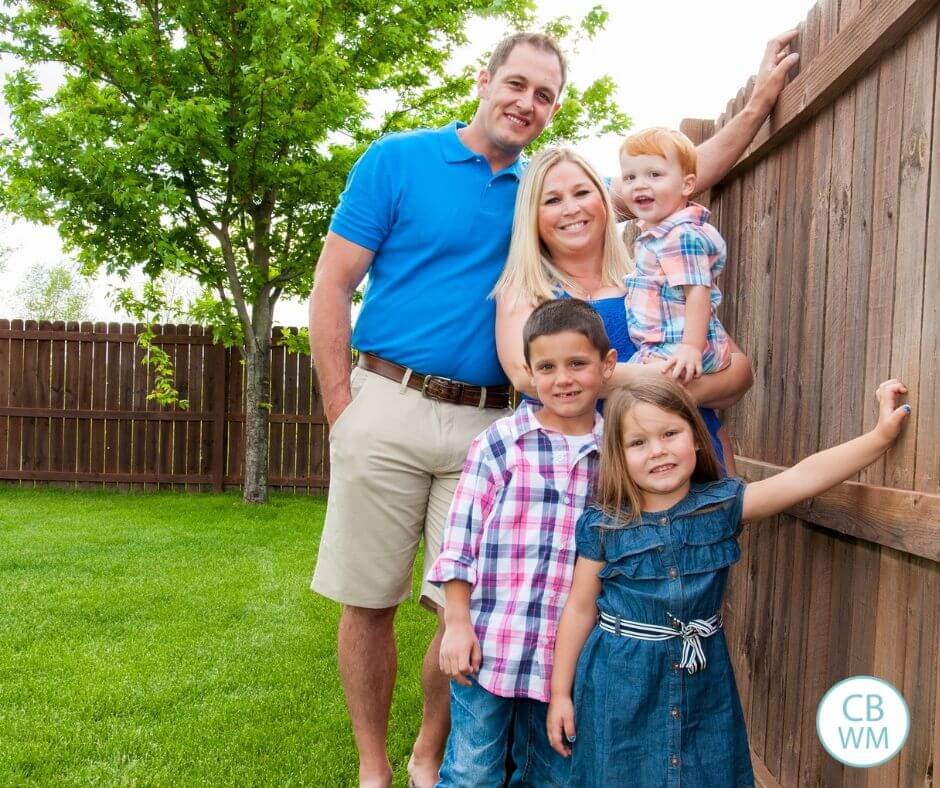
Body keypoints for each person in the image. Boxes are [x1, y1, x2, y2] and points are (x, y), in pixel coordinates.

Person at [308, 28, 799, 788]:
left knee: (484, 607)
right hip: (401, 402)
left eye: (544, 95)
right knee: (376, 597)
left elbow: (679, 179)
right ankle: (383, 768)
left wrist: (765, 99)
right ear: (484, 80)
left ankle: (441, 751)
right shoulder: (406, 164)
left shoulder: (584, 220)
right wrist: (344, 408)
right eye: (517, 85)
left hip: (547, 442)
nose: (526, 103)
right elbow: (335, 285)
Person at [546, 378, 911, 787]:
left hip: (704, 679)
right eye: (638, 442)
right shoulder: (604, 525)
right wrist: (561, 694)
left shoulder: (721, 507)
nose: (658, 450)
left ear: (696, 439)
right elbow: (579, 609)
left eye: (670, 433)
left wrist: (880, 436)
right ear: (618, 455)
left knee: (708, 771)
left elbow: (803, 477)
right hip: (619, 683)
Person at [427, 299, 615, 786]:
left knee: (555, 773)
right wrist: (456, 625)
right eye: (547, 367)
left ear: (606, 365)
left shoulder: (615, 452)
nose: (563, 378)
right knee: (473, 771)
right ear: (528, 374)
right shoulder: (501, 443)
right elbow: (459, 540)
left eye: (577, 363)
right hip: (491, 644)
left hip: (567, 656)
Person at [493, 146, 748, 472]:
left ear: (604, 201)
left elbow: (738, 369)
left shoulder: (648, 277)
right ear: (533, 215)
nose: (571, 208)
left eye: (582, 192)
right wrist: (669, 384)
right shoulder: (524, 289)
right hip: (582, 467)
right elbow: (526, 376)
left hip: (683, 461)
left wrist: (688, 385)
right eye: (552, 200)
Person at [620, 127, 732, 382]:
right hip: (666, 344)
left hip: (682, 347)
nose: (640, 185)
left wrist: (691, 347)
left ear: (687, 184)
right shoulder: (659, 235)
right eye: (630, 177)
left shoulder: (680, 236)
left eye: (654, 174)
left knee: (625, 384)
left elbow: (697, 292)